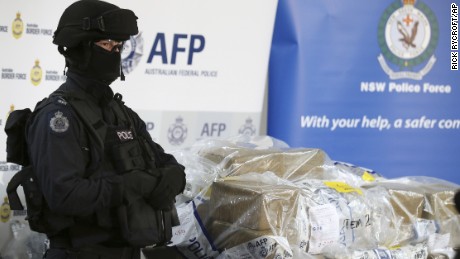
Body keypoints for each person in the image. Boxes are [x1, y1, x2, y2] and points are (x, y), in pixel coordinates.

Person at [25, 0, 186, 258]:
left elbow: (165, 163)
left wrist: (173, 176)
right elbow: (64, 195)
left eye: (118, 47)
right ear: (79, 49)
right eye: (106, 45)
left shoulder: (121, 113)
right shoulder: (58, 116)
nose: (114, 53)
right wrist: (132, 186)